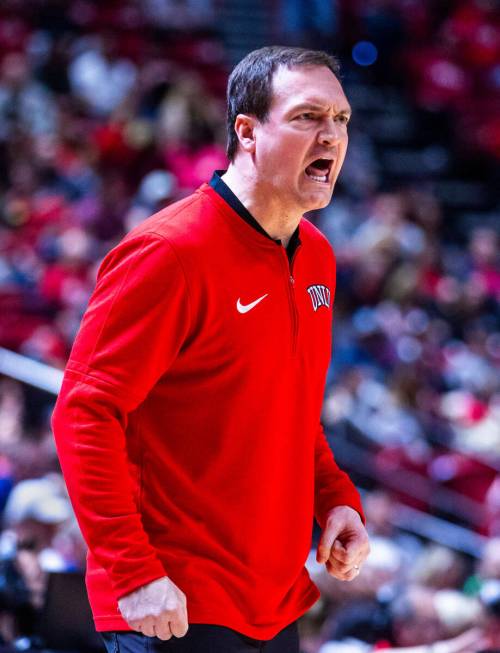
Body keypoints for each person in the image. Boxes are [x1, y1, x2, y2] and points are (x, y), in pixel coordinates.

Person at [51, 45, 370, 652]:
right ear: (247, 132)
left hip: (275, 606)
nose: (331, 136)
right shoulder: (169, 253)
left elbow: (290, 411)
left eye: (342, 120)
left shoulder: (319, 259)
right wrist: (133, 572)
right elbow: (84, 413)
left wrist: (335, 501)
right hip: (173, 603)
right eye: (308, 117)